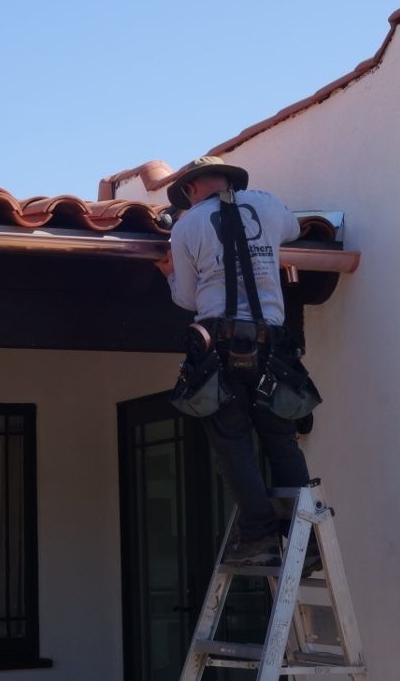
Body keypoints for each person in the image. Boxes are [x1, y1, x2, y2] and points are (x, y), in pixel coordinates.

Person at [157, 155, 314, 567]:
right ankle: (305, 540)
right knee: (281, 440)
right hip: (273, 347)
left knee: (234, 443)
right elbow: (295, 229)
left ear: (190, 189)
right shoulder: (267, 204)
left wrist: (169, 273)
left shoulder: (187, 226)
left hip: (221, 350)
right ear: (231, 180)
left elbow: (188, 299)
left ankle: (259, 536)